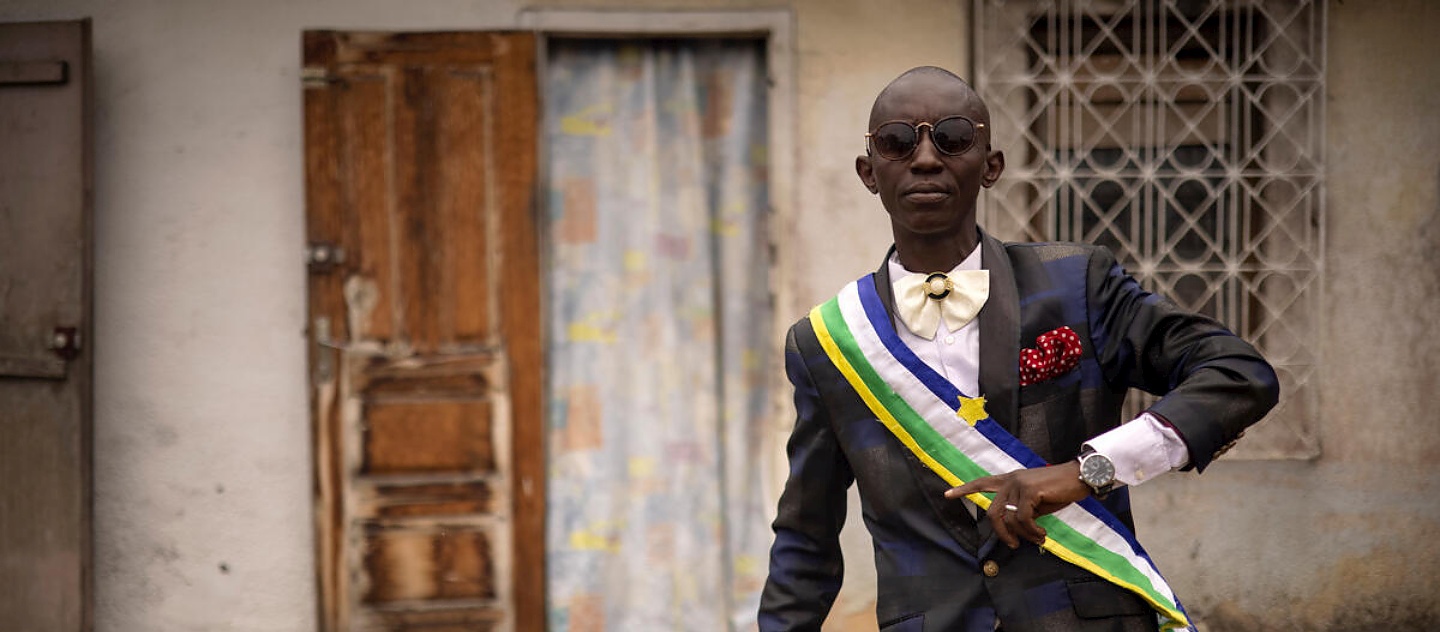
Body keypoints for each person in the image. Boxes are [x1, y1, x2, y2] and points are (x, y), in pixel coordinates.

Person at [757, 66, 1279, 632]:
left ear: (991, 165)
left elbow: (1237, 373)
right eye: (897, 141)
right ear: (869, 171)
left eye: (954, 137)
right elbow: (806, 540)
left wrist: (1088, 471)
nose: (926, 158)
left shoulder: (1079, 285)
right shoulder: (827, 344)